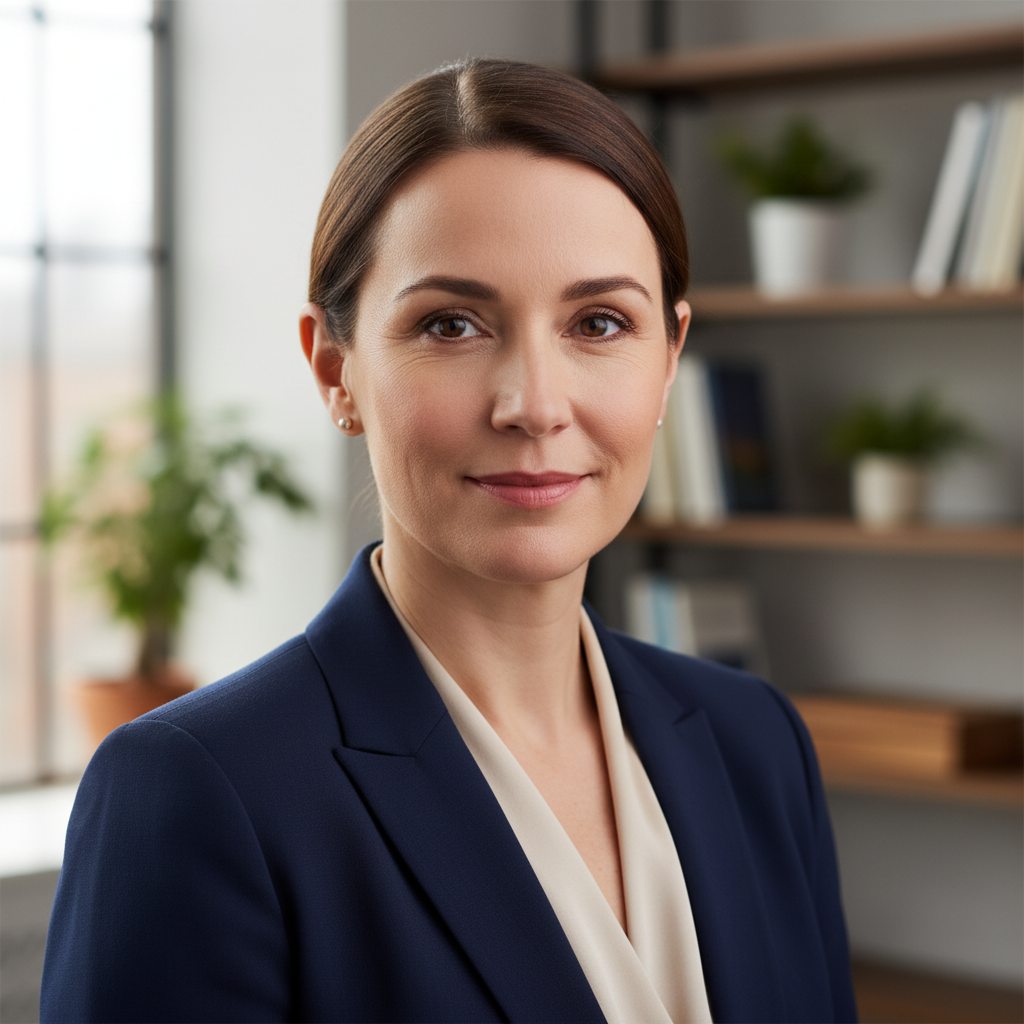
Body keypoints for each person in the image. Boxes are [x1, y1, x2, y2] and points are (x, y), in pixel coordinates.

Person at [41, 58, 856, 1023]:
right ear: (335, 367)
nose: (535, 405)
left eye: (599, 322)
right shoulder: (192, 794)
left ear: (670, 356)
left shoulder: (754, 742)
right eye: (453, 325)